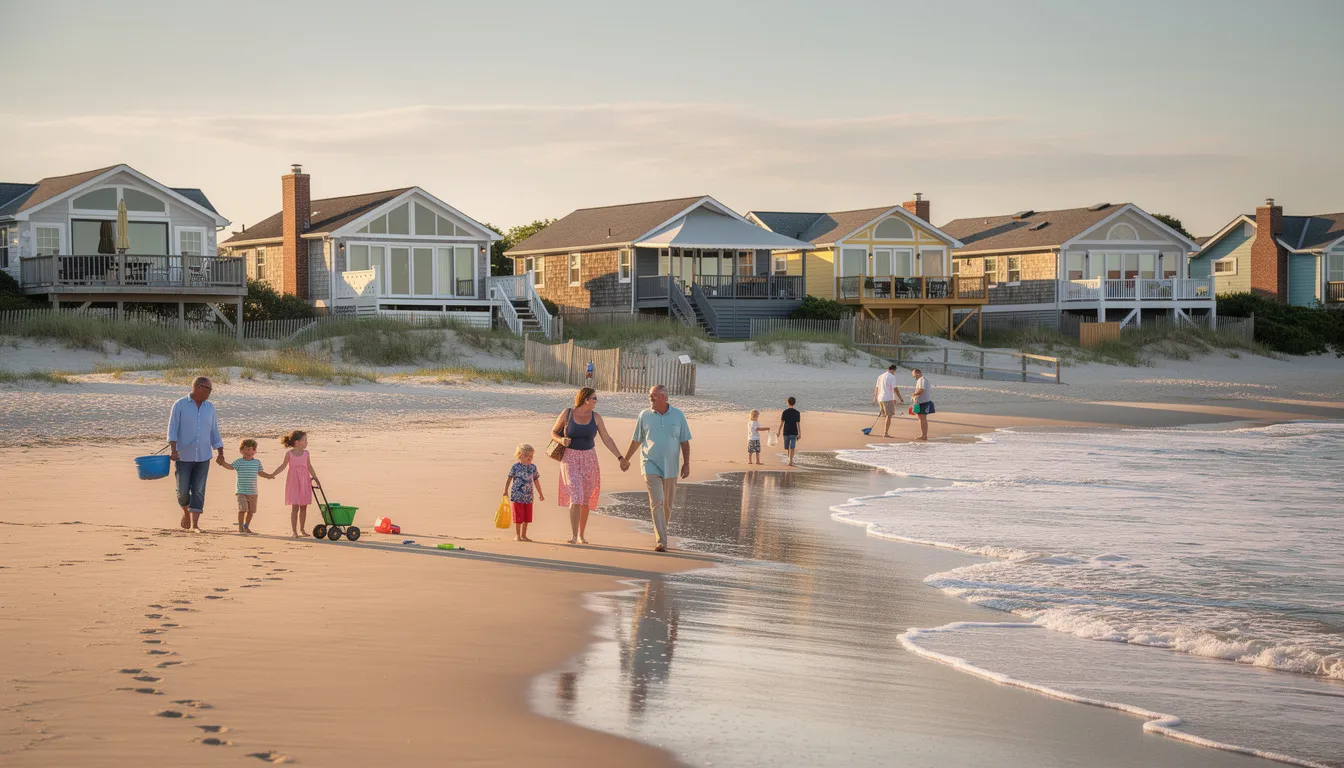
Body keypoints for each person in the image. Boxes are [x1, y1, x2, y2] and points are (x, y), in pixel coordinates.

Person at [621, 385, 692, 552]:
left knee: (667, 504)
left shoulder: (678, 415)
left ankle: (662, 531)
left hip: (671, 466)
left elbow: (684, 442)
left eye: (653, 396)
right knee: (657, 501)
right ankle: (661, 541)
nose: (650, 399)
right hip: (649, 462)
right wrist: (626, 459)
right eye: (650, 396)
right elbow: (637, 439)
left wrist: (687, 463)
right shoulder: (644, 415)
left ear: (663, 397)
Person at [552, 387, 627, 545]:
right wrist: (561, 440)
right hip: (570, 458)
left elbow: (607, 439)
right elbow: (554, 432)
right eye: (594, 398)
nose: (596, 401)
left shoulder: (596, 417)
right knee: (576, 495)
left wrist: (620, 457)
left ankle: (581, 535)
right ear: (585, 399)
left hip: (589, 459)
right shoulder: (567, 413)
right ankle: (573, 535)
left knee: (585, 499)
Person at [166, 376, 225, 533]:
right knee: (183, 491)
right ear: (199, 387)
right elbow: (172, 429)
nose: (210, 393)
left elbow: (214, 430)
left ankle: (195, 524)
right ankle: (186, 512)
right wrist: (173, 450)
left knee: (199, 490)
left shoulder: (210, 407)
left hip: (204, 456)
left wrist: (220, 451)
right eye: (209, 389)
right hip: (183, 457)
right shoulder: (180, 405)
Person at [271, 430, 321, 538]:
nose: (307, 442)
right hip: (293, 482)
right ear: (297, 441)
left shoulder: (306, 453)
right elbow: (283, 466)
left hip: (304, 481)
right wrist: (272, 474)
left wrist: (315, 477)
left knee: (304, 506)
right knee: (295, 507)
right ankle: (294, 531)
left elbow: (309, 466)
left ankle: (302, 529)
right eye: (305, 440)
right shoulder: (289, 454)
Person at [216, 438, 271, 534]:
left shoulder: (257, 462)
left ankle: (246, 526)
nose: (251, 451)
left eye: (253, 449)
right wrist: (222, 463)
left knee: (251, 511)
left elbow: (260, 472)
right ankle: (240, 528)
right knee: (243, 509)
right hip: (241, 490)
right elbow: (230, 467)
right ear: (241, 451)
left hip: (253, 491)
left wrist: (268, 476)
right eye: (248, 449)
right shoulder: (239, 462)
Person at [503, 443, 544, 542]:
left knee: (527, 517)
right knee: (518, 516)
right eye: (527, 455)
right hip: (517, 495)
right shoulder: (515, 467)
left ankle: (524, 535)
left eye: (531, 456)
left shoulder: (533, 468)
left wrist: (540, 493)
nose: (529, 458)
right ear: (520, 455)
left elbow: (536, 481)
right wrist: (505, 490)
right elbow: (509, 478)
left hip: (529, 496)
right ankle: (517, 535)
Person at [872, 364, 905, 438]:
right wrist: (900, 398)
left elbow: (876, 387)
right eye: (894, 371)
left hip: (880, 398)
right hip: (887, 398)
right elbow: (895, 388)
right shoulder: (892, 377)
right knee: (889, 416)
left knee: (884, 415)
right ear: (893, 370)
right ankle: (885, 433)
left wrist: (875, 398)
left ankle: (883, 431)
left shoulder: (880, 376)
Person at [910, 368, 936, 441]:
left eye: (914, 376)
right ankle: (924, 435)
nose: (914, 377)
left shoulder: (922, 379)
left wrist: (914, 394)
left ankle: (924, 436)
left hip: (923, 402)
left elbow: (921, 390)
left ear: (917, 373)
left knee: (922, 419)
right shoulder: (922, 379)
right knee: (921, 418)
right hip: (921, 402)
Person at [780, 396, 801, 466]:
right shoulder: (790, 412)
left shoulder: (787, 412)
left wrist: (779, 431)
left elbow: (781, 423)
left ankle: (790, 461)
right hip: (790, 432)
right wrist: (800, 433)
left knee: (792, 447)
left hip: (790, 432)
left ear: (787, 403)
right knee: (787, 447)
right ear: (794, 403)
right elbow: (798, 424)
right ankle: (790, 459)